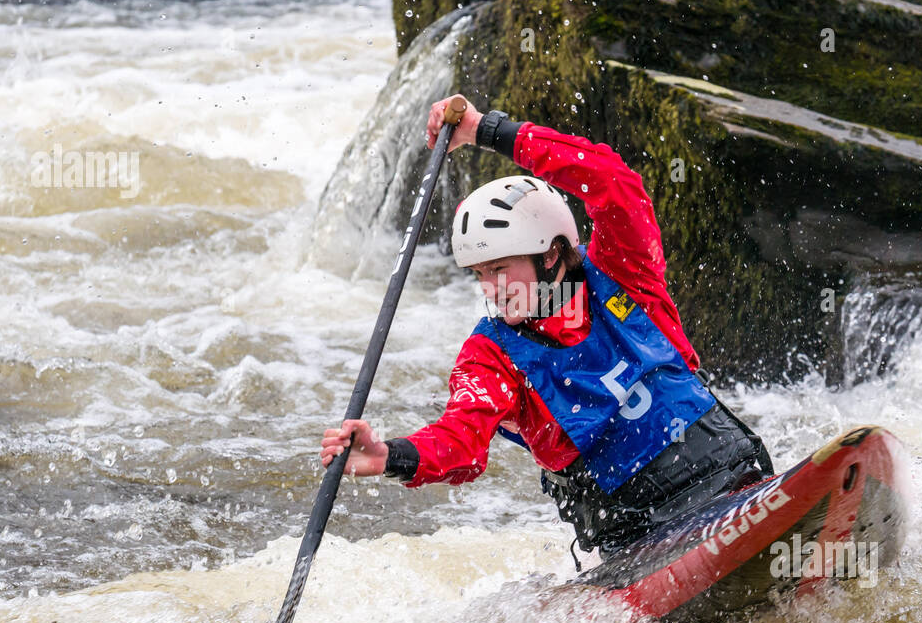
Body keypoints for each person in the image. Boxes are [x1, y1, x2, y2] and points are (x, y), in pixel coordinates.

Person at [320, 95, 772, 563]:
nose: (491, 289)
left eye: (499, 268)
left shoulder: (625, 272)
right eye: (479, 273)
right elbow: (460, 442)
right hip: (641, 541)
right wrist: (390, 456)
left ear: (551, 254)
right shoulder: (491, 354)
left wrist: (487, 130)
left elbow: (612, 181)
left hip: (735, 479)